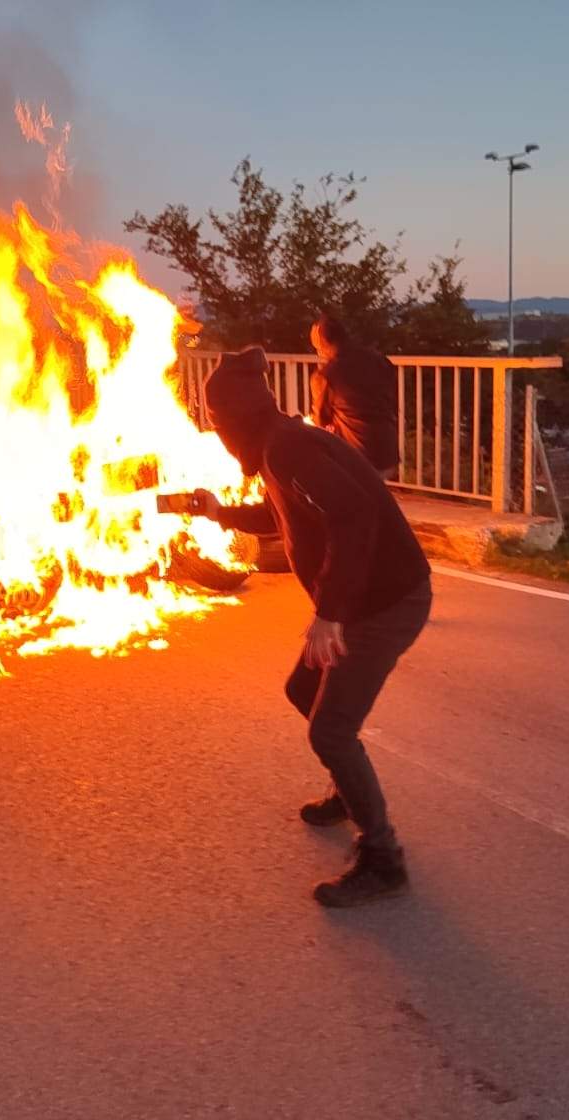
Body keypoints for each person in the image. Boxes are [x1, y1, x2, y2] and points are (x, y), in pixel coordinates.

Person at [189, 346, 431, 907]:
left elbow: (353, 515)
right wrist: (218, 512)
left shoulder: (288, 449)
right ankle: (349, 792)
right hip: (366, 600)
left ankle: (382, 859)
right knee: (304, 689)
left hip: (387, 602)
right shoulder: (282, 446)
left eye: (219, 424)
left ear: (236, 422)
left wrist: (332, 614)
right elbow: (282, 514)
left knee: (330, 730)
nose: (219, 436)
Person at [308, 314, 400, 479]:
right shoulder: (379, 360)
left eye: (316, 348)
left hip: (360, 459)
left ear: (322, 345)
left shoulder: (325, 376)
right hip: (389, 453)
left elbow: (320, 423)